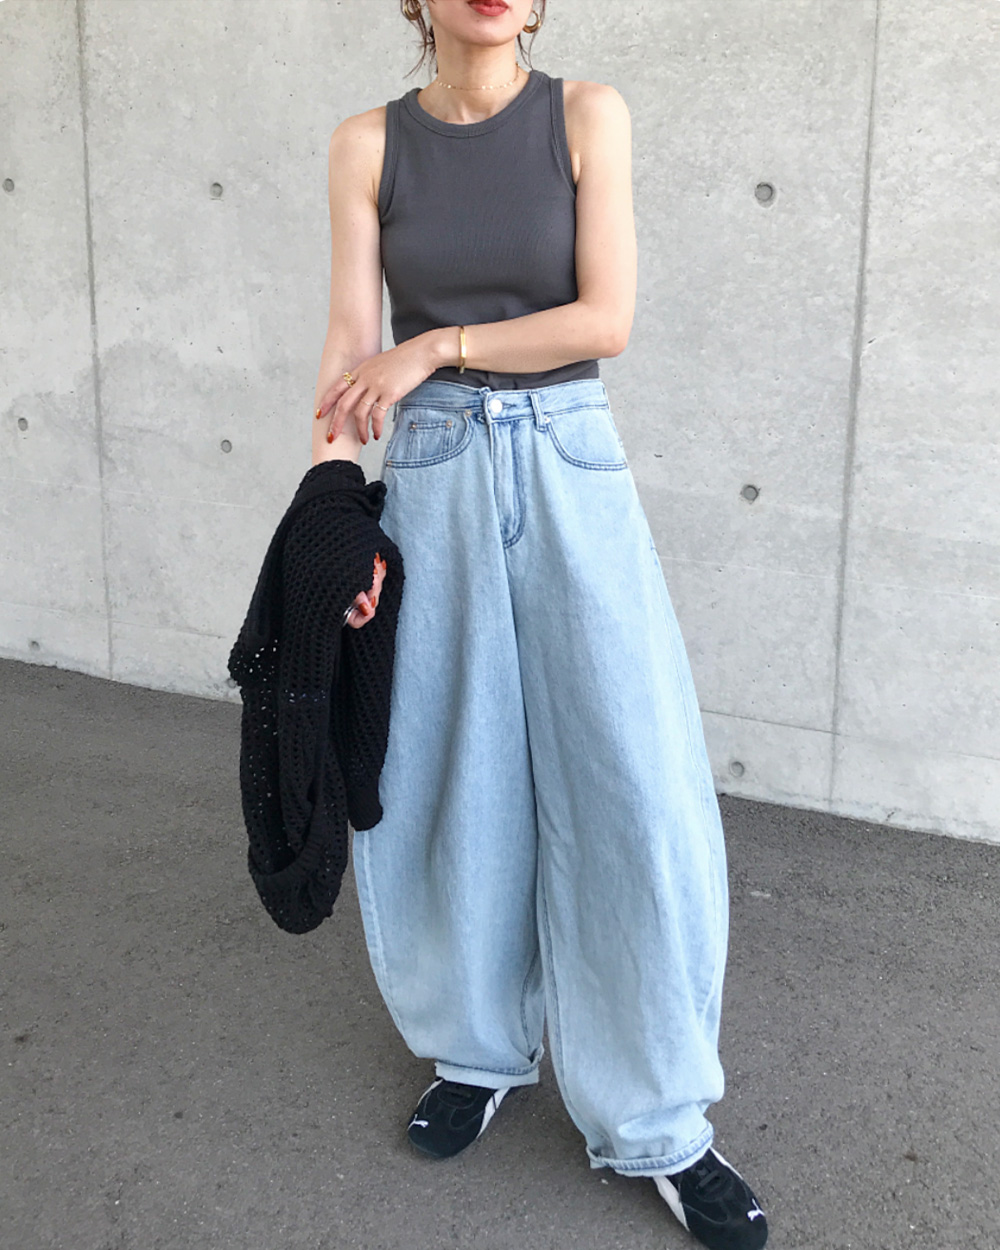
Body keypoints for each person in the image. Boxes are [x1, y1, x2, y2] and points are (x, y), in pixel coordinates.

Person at [310, 3, 768, 1247]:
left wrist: (436, 345)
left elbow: (603, 319)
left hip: (569, 461)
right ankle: (476, 1050)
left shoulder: (584, 115)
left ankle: (660, 1120)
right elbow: (349, 348)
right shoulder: (367, 145)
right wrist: (332, 525)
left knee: (633, 787)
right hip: (433, 478)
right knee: (445, 778)